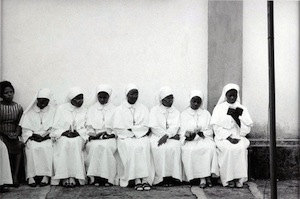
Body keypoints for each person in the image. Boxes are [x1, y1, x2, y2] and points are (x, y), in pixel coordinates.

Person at [210, 83, 253, 188]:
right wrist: (228, 138)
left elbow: (247, 128)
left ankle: (239, 179)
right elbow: (216, 127)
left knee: (240, 148)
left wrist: (238, 120)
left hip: (239, 136)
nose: (232, 97)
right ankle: (227, 179)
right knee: (228, 149)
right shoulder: (219, 108)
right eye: (230, 95)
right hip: (223, 137)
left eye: (234, 95)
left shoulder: (241, 108)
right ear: (226, 96)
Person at [113, 84, 154, 191]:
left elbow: (146, 126)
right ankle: (136, 179)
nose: (134, 96)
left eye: (136, 93)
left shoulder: (143, 108)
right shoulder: (119, 109)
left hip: (140, 136)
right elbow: (119, 129)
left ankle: (144, 179)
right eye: (132, 93)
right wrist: (133, 132)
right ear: (127, 95)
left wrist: (134, 130)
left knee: (144, 145)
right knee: (132, 148)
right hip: (125, 138)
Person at [180, 90, 218, 188]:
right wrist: (187, 136)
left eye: (198, 102)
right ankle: (201, 178)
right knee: (191, 150)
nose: (196, 104)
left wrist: (203, 133)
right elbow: (181, 130)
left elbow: (210, 130)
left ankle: (207, 177)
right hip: (190, 141)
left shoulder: (206, 114)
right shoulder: (184, 114)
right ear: (190, 101)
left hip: (203, 139)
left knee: (210, 148)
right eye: (194, 101)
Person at [50, 87, 87, 187]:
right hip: (63, 136)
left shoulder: (84, 110)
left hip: (78, 136)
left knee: (75, 143)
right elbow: (55, 127)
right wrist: (64, 132)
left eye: (82, 98)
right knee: (65, 143)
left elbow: (86, 127)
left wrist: (78, 132)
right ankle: (64, 176)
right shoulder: (61, 109)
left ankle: (74, 176)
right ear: (72, 99)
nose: (81, 101)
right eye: (78, 98)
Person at [20, 88, 55, 187]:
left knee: (47, 147)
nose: (43, 104)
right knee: (31, 147)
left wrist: (48, 135)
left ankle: (46, 175)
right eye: (41, 101)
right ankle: (31, 176)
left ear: (49, 101)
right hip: (33, 137)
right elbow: (25, 129)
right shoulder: (29, 112)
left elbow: (55, 127)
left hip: (47, 138)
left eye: (46, 102)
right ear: (37, 100)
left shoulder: (53, 111)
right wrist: (32, 135)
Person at [85, 84, 117, 186]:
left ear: (109, 97)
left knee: (106, 147)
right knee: (95, 147)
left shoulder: (115, 109)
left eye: (105, 97)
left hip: (109, 138)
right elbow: (88, 127)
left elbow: (118, 127)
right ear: (97, 97)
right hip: (95, 138)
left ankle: (106, 177)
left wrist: (111, 135)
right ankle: (95, 177)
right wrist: (93, 135)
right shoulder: (91, 109)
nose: (102, 99)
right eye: (100, 97)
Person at [149, 86, 182, 186]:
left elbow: (175, 127)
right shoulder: (154, 110)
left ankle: (172, 177)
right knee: (159, 148)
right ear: (162, 99)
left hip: (170, 137)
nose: (170, 100)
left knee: (174, 147)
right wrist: (165, 135)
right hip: (157, 136)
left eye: (171, 98)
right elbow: (154, 127)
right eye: (167, 98)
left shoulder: (176, 112)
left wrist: (168, 135)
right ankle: (161, 177)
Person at [0, 81, 24, 187]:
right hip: (1, 135)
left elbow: (20, 123)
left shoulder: (18, 107)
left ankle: (15, 176)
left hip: (14, 135)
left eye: (11, 92)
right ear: (1, 94)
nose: (9, 94)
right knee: (3, 148)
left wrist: (16, 134)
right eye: (6, 93)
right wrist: (5, 134)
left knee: (19, 146)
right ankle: (5, 178)